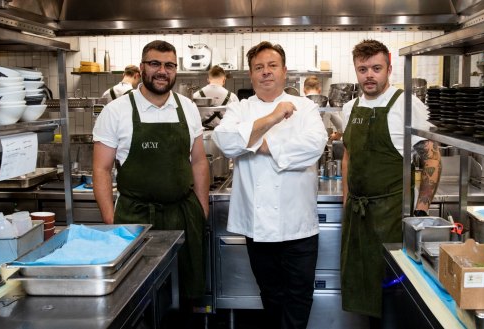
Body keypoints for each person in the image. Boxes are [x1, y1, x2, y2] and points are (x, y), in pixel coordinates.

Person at [92, 40, 209, 325]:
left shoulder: (188, 107)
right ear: (142, 67)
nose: (162, 71)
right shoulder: (116, 111)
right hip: (136, 219)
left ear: (175, 70)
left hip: (182, 216)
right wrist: (112, 221)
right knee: (138, 300)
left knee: (184, 300)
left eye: (169, 65)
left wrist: (201, 209)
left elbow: (199, 161)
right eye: (155, 64)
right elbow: (101, 168)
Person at [213, 41, 328, 329]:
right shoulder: (239, 108)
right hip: (257, 225)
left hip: (299, 225)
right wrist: (273, 117)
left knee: (299, 295)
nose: (266, 72)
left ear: (284, 71)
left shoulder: (305, 108)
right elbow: (225, 142)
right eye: (258, 68)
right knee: (271, 294)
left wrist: (255, 143)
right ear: (251, 75)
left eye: (272, 66)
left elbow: (313, 147)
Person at [340, 39, 442, 328]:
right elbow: (348, 155)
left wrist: (420, 213)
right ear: (356, 70)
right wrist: (347, 200)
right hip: (359, 217)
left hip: (392, 214)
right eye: (363, 69)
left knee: (393, 293)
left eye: (376, 68)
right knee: (365, 287)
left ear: (389, 68)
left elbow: (432, 159)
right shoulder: (351, 107)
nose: (369, 75)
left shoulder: (408, 105)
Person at [303, 75, 343, 140]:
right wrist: (336, 136)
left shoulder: (298, 104)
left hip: (301, 147)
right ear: (319, 90)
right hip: (321, 146)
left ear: (304, 90)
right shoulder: (328, 104)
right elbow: (342, 127)